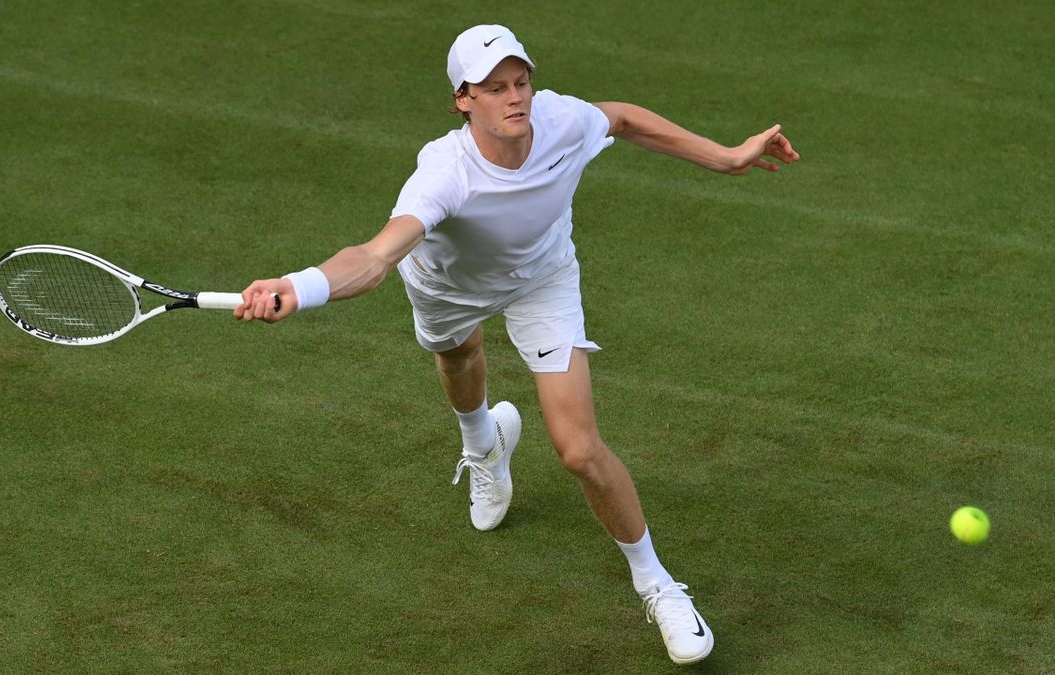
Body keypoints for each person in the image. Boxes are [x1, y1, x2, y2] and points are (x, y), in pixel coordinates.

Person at [235, 24, 799, 665]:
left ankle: (659, 586)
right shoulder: (444, 172)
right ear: (462, 100)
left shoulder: (561, 121)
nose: (515, 98)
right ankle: (484, 446)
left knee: (580, 451)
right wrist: (299, 287)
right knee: (458, 356)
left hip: (542, 281)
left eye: (521, 82)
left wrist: (726, 156)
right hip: (448, 288)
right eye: (495, 87)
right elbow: (373, 256)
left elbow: (622, 119)